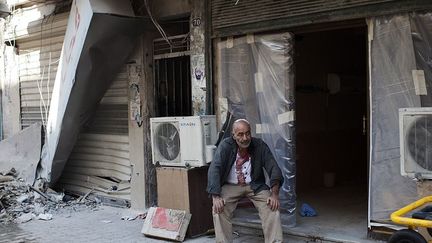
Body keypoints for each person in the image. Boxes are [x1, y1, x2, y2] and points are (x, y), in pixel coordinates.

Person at [207, 118, 284, 243]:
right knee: (219, 209)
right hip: (230, 186)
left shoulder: (259, 145)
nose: (245, 138)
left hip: (255, 185)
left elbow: (273, 167)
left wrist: (274, 194)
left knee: (272, 207)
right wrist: (216, 197)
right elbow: (214, 169)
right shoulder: (225, 146)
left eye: (247, 133)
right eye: (240, 134)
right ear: (233, 135)